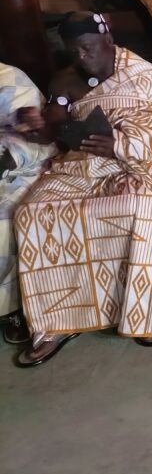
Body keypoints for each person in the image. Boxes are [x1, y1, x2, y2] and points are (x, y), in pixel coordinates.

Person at [13, 13, 152, 367]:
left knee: (140, 206)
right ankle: (55, 322)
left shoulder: (145, 76)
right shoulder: (65, 79)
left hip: (133, 161)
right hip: (80, 164)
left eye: (87, 47)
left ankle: (147, 314)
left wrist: (120, 144)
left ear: (108, 41)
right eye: (73, 50)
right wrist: (41, 125)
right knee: (31, 212)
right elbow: (54, 130)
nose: (81, 56)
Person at [0, 64, 54, 345]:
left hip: (22, 166)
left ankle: (11, 308)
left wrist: (7, 159)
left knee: (5, 217)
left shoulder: (9, 79)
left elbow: (42, 139)